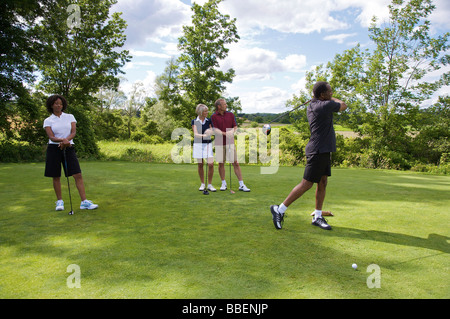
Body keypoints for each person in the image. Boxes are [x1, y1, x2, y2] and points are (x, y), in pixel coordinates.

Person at [270, 82, 347, 230]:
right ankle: (279, 210)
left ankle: (317, 216)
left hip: (323, 150)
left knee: (323, 182)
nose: (332, 93)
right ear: (322, 95)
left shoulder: (316, 104)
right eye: (330, 92)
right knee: (306, 184)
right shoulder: (323, 106)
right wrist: (331, 99)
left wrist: (319, 98)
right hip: (318, 150)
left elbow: (333, 102)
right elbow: (343, 105)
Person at [43, 95, 98, 211]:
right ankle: (59, 202)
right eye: (56, 103)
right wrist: (63, 141)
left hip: (69, 147)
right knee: (56, 175)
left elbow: (73, 132)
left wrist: (66, 141)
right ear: (51, 105)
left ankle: (84, 202)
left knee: (77, 174)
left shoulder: (70, 117)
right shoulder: (48, 120)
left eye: (61, 103)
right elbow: (51, 137)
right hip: (54, 149)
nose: (59, 105)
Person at [211, 98, 250, 192]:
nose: (226, 105)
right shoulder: (213, 116)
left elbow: (235, 126)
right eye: (224, 104)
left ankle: (241, 184)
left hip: (230, 143)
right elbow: (215, 129)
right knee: (221, 163)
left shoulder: (230, 114)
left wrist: (232, 131)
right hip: (219, 143)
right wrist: (225, 134)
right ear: (219, 106)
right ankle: (223, 183)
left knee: (235, 163)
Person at [192, 104, 216, 192]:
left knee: (211, 164)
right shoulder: (194, 121)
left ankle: (209, 184)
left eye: (207, 111)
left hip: (207, 144)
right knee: (200, 164)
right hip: (198, 145)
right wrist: (205, 135)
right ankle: (202, 184)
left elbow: (212, 131)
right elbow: (196, 134)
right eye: (205, 111)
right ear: (201, 112)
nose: (207, 112)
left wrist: (210, 133)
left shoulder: (209, 121)